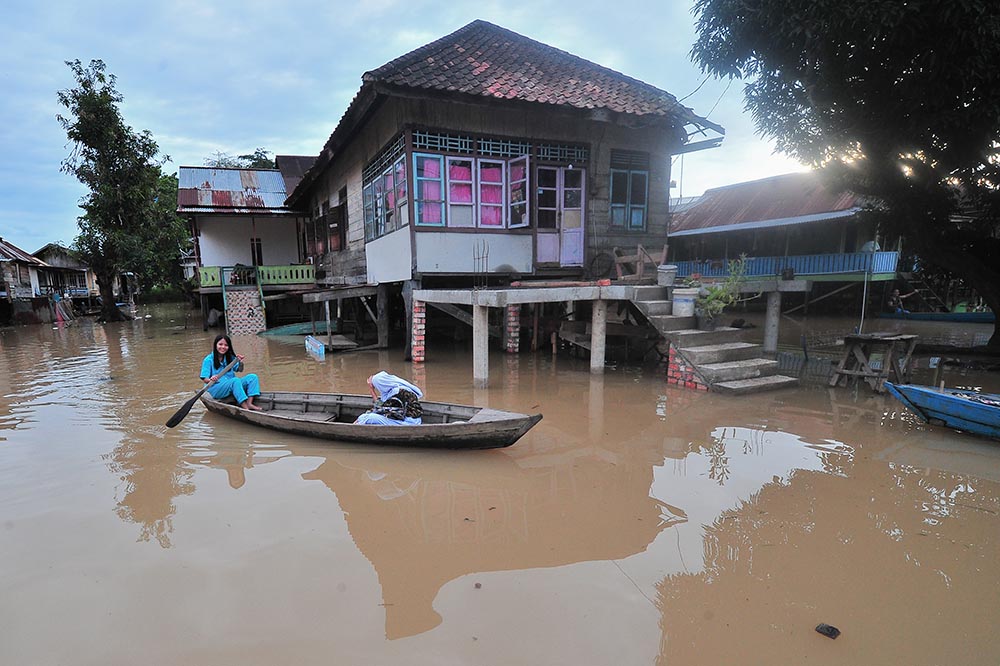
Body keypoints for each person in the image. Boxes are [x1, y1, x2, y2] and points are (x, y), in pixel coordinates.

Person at [200, 334, 262, 411]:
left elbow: (239, 369)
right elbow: (204, 379)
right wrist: (210, 379)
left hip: (232, 385)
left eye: (226, 345)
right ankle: (246, 408)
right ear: (215, 345)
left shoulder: (230, 357)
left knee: (253, 377)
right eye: (220, 344)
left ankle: (249, 403)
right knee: (235, 381)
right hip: (216, 388)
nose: (223, 347)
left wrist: (240, 362)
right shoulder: (208, 360)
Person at [354, 371, 423, 425]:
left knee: (367, 417)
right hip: (413, 420)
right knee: (367, 415)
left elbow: (379, 408)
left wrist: (372, 390)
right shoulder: (399, 388)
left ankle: (352, 428)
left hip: (408, 423)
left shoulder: (397, 393)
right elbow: (382, 405)